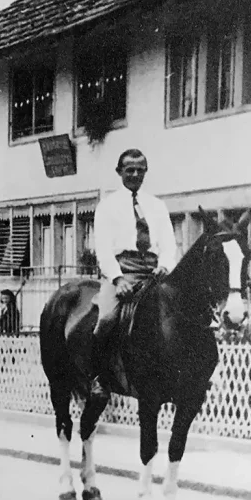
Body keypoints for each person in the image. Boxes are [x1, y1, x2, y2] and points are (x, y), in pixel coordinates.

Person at [90, 148, 177, 398]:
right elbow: (103, 249)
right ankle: (100, 377)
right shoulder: (107, 206)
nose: (135, 174)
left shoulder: (157, 206)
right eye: (130, 170)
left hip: (153, 272)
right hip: (122, 270)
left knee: (180, 313)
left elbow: (169, 244)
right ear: (119, 172)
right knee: (106, 318)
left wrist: (165, 265)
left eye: (140, 170)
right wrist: (117, 279)